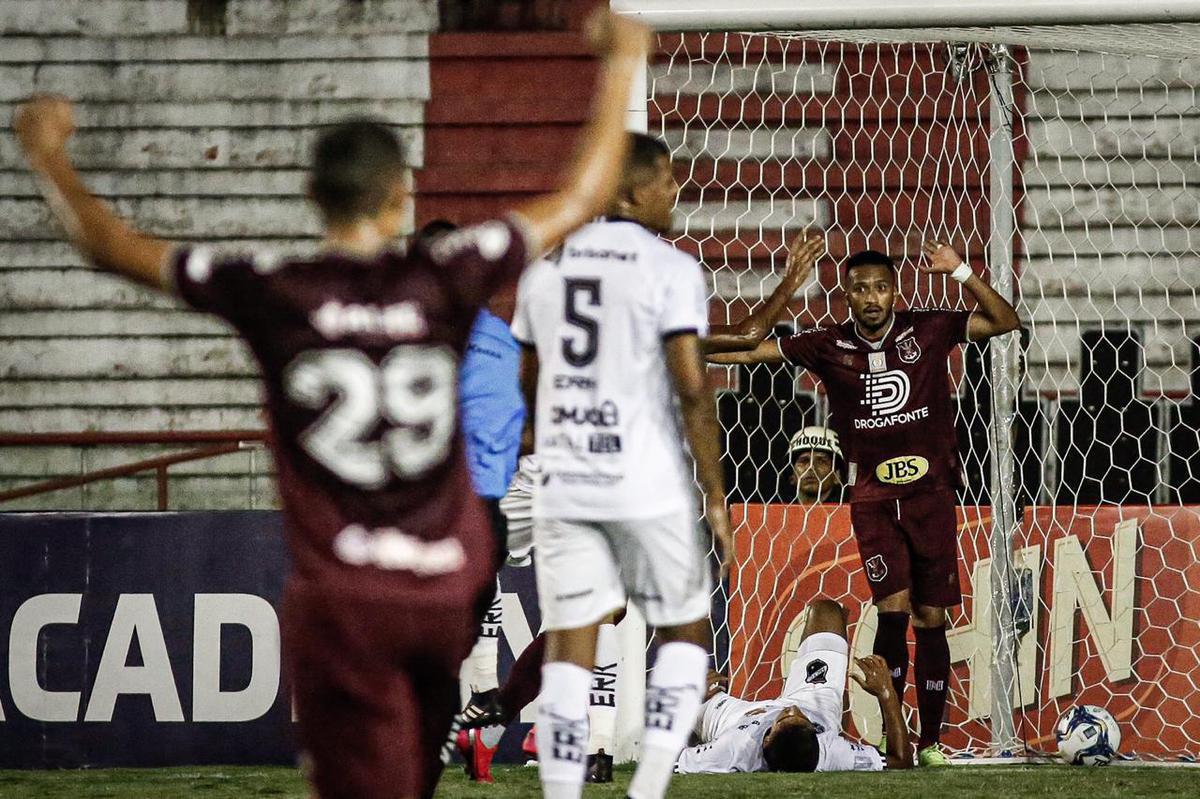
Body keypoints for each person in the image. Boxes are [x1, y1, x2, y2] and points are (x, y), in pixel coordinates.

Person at [11, 11, 649, 798]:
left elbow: (110, 247)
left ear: (312, 194)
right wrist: (623, 62)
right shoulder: (448, 275)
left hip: (347, 601)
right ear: (401, 195)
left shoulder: (275, 287)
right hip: (442, 592)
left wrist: (47, 155)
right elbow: (581, 195)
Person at [708, 243, 1021, 766]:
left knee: (931, 616)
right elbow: (741, 352)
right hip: (873, 498)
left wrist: (961, 271)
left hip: (931, 494)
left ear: (895, 291)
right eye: (860, 289)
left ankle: (931, 743)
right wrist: (684, 346)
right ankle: (893, 737)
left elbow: (1005, 320)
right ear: (846, 295)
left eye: (880, 287)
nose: (871, 298)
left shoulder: (929, 328)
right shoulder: (828, 344)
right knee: (892, 613)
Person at [675, 599, 911, 773]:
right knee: (826, 610)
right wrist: (886, 693)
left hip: (737, 719)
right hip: (813, 703)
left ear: (766, 740)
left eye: (784, 719)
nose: (790, 709)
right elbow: (901, 760)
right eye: (801, 719)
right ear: (818, 736)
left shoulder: (733, 750)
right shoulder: (831, 752)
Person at [788, 425, 845, 504]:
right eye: (804, 461)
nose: (811, 467)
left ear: (837, 476)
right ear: (791, 475)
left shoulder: (852, 511)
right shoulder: (778, 510)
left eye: (821, 462)